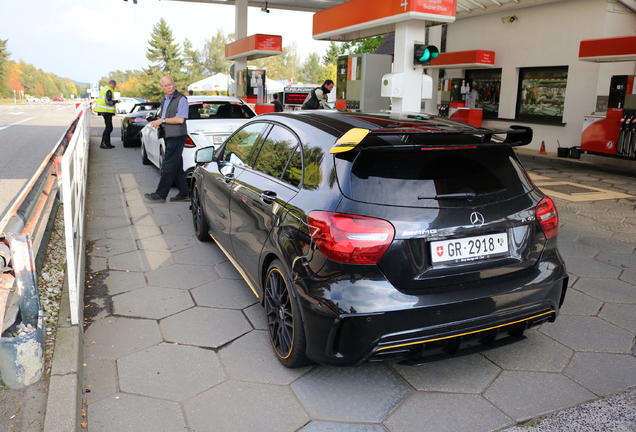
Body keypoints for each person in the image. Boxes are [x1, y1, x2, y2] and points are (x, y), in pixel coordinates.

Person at [143, 76, 191, 203]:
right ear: (162, 87)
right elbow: (164, 116)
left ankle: (160, 194)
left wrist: (162, 120)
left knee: (168, 165)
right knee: (176, 166)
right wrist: (158, 122)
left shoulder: (181, 99)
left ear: (174, 84)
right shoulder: (164, 99)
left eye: (170, 84)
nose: (169, 87)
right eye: (166, 85)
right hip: (167, 135)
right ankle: (184, 193)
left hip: (177, 136)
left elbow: (180, 119)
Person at [93, 80, 120, 149]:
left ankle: (107, 143)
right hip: (106, 111)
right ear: (113, 85)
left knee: (109, 127)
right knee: (109, 128)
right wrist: (116, 101)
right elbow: (109, 102)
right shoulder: (108, 90)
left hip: (104, 111)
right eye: (115, 86)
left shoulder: (104, 89)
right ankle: (104, 143)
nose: (114, 87)